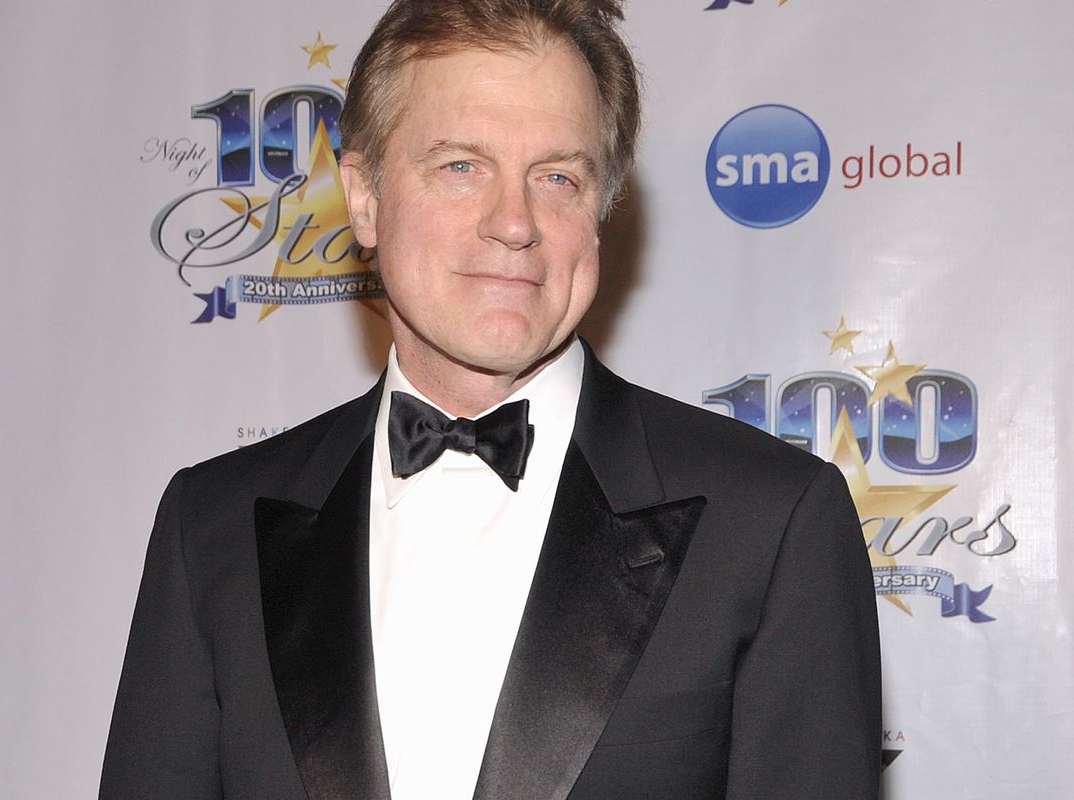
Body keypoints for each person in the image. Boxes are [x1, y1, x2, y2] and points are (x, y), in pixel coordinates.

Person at [99, 0, 882, 797]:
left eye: (557, 177)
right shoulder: (214, 526)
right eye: (461, 166)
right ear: (363, 197)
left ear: (601, 209)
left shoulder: (771, 524)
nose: (514, 223)